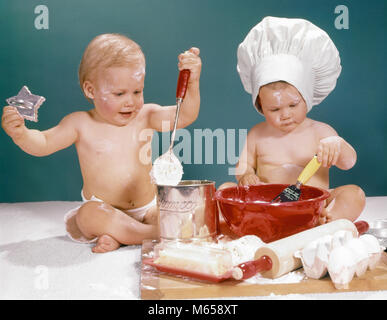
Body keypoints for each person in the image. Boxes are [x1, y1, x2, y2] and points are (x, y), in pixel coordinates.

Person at [2, 33, 202, 252]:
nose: (130, 101)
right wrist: (21, 134)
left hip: (147, 209)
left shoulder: (146, 115)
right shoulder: (80, 123)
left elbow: (184, 116)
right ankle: (151, 234)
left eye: (137, 91)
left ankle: (124, 235)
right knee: (88, 216)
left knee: (179, 208)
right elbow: (43, 143)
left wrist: (192, 83)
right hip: (103, 208)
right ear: (91, 90)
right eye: (119, 93)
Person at [220, 17, 365, 227]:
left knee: (354, 193)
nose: (285, 114)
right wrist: (246, 175)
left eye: (293, 105)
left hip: (315, 206)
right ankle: (255, 223)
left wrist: (337, 144)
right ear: (260, 106)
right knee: (225, 189)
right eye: (274, 109)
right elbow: (243, 165)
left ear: (306, 97)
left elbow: (349, 162)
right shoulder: (257, 134)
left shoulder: (321, 132)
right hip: (268, 206)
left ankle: (328, 221)